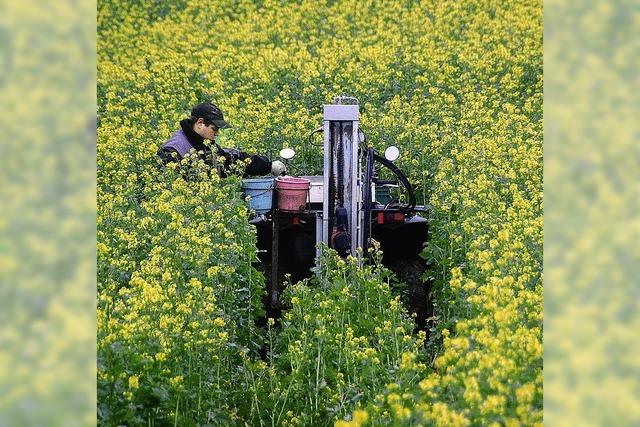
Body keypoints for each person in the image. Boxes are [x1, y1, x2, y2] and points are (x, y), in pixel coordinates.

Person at [157, 101, 286, 177]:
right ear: (200, 123)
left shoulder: (205, 144)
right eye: (215, 128)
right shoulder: (172, 150)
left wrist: (267, 165)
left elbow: (232, 160)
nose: (217, 134)